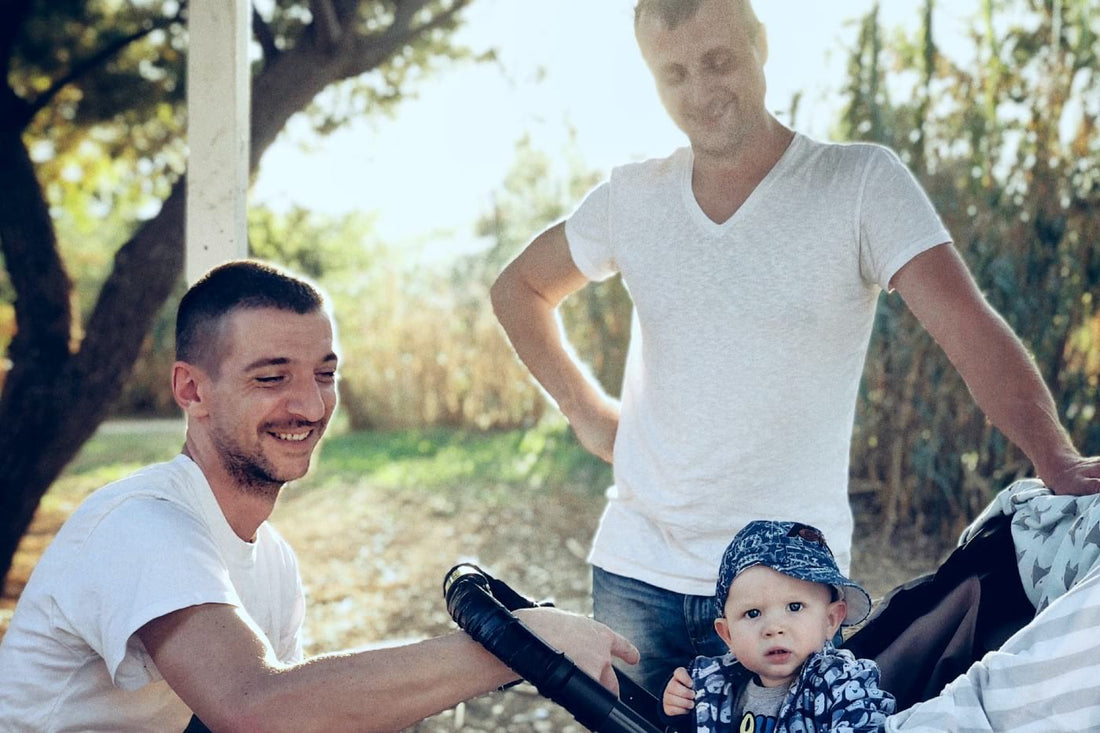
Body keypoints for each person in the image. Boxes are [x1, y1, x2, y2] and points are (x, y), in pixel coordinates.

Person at [489, 0, 1100, 697]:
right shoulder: (633, 197)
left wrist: (1053, 455)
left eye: (718, 61)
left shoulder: (859, 183)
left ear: (760, 44)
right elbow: (519, 289)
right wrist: (586, 411)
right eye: (674, 74)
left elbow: (968, 327)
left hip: (785, 590)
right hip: (638, 573)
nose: (700, 91)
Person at [0, 260, 638, 733]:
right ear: (192, 391)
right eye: (271, 377)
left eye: (324, 374)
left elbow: (302, 716)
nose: (309, 405)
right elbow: (255, 708)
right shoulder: (140, 525)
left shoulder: (273, 560)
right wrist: (518, 646)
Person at [662, 520, 894, 732]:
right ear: (728, 634)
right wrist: (680, 710)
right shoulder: (714, 684)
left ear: (830, 620)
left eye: (794, 607)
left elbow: (865, 723)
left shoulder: (842, 686)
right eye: (753, 613)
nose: (774, 628)